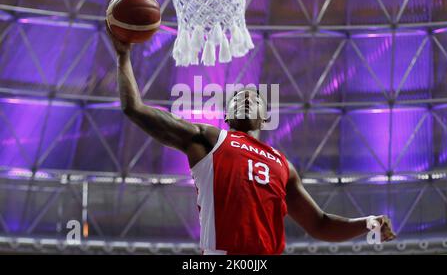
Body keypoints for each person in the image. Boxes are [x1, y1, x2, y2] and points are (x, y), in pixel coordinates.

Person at [108, 28, 396, 255]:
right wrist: (123, 56)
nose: (246, 98)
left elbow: (319, 224)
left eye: (254, 99)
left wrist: (369, 222)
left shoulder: (283, 165)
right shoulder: (209, 139)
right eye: (238, 99)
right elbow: (135, 108)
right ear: (227, 117)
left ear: (263, 118)